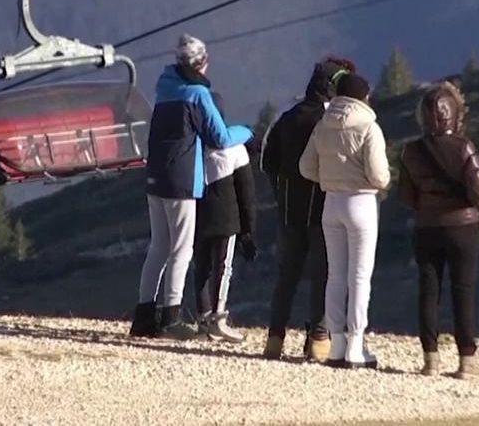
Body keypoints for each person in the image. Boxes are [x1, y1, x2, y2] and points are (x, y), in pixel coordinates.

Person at [130, 34, 253, 340]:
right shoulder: (197, 95)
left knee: (158, 246)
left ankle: (144, 317)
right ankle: (171, 318)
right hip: (181, 179)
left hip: (155, 175)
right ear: (201, 64)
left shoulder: (164, 89)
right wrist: (248, 131)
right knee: (181, 250)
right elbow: (220, 138)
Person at [259, 56, 356, 361]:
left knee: (286, 276)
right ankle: (318, 339)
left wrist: (282, 193)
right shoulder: (332, 122)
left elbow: (266, 163)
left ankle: (274, 339)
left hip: (289, 210)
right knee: (323, 274)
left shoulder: (286, 118)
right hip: (323, 210)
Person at [398, 81, 479, 379]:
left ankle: (431, 360)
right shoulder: (463, 146)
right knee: (462, 290)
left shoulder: (411, 151)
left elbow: (405, 197)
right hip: (463, 227)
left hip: (426, 227)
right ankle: (466, 360)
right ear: (453, 115)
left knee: (429, 291)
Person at [299, 72, 389, 369]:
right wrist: (381, 183)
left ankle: (336, 345)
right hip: (361, 202)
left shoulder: (322, 126)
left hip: (331, 203)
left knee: (335, 275)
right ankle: (356, 345)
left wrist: (329, 178)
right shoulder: (368, 127)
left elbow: (306, 167)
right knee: (359, 276)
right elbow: (378, 175)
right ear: (363, 97)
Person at [193, 91, 259, 343]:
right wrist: (249, 232)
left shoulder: (193, 147)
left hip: (198, 216)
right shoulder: (235, 148)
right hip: (226, 219)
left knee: (201, 267)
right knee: (223, 267)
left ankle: (202, 320)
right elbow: (247, 195)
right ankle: (218, 318)